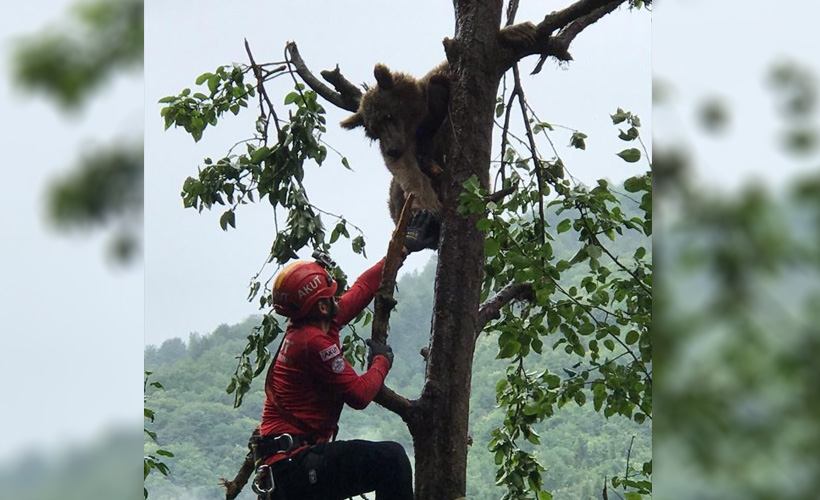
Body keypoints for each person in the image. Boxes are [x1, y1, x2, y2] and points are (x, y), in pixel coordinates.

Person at [252, 211, 437, 500]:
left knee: (384, 460)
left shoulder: (314, 324)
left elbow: (363, 288)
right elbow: (359, 395)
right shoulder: (313, 341)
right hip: (297, 467)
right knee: (391, 459)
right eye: (331, 293)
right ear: (322, 307)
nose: (337, 297)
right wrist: (381, 361)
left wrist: (402, 249)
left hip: (288, 469)